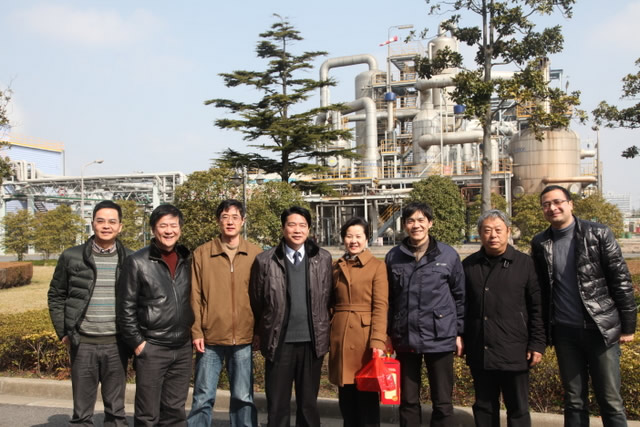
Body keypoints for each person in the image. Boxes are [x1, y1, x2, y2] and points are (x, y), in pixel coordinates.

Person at [531, 185, 637, 426]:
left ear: (570, 204)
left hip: (600, 329)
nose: (552, 208)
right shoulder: (540, 242)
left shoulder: (598, 233)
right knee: (574, 400)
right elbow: (541, 289)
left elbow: (620, 280)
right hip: (565, 333)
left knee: (610, 400)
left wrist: (628, 326)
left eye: (557, 202)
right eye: (546, 204)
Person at [48, 200, 132, 427]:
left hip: (117, 344)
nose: (106, 226)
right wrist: (63, 331)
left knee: (116, 412)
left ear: (120, 226)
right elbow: (56, 295)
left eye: (112, 221)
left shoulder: (131, 259)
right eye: (101, 221)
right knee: (82, 413)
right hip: (83, 343)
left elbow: (138, 302)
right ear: (92, 224)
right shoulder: (71, 256)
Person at [249, 206, 333, 427]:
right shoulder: (265, 261)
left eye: (302, 225)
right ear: (283, 228)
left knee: (308, 404)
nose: (297, 230)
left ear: (309, 229)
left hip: (312, 342)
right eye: (292, 225)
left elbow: (329, 298)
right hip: (278, 341)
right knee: (277, 404)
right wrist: (262, 330)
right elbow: (257, 300)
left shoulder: (323, 258)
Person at [385, 201, 465, 427]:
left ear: (430, 223)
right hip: (405, 336)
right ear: (404, 225)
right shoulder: (394, 257)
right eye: (411, 221)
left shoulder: (447, 255)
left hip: (440, 336)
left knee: (442, 401)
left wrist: (459, 332)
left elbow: (460, 296)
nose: (416, 225)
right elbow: (388, 299)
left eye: (421, 220)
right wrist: (387, 333)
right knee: (408, 400)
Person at [463, 209, 546, 427]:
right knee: (484, 407)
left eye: (498, 230)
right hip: (480, 349)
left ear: (508, 231)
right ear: (480, 233)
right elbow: (461, 306)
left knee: (518, 408)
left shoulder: (525, 264)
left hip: (515, 350)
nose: (493, 235)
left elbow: (537, 307)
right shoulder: (469, 265)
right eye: (487, 230)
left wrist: (537, 343)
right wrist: (460, 335)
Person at [117, 204, 194, 427]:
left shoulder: (187, 259)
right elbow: (125, 308)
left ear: (180, 228)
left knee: (175, 412)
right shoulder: (137, 262)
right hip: (152, 348)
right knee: (147, 414)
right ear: (153, 229)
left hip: (182, 348)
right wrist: (138, 344)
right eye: (163, 226)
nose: (169, 231)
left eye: (174, 225)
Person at [187, 199, 262, 427]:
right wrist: (196, 331)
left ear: (243, 221)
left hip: (244, 337)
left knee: (243, 396)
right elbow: (194, 295)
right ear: (218, 221)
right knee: (203, 396)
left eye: (235, 217)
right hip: (210, 337)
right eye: (225, 217)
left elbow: (262, 297)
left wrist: (259, 331)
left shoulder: (255, 254)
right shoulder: (202, 253)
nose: (230, 222)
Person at [329, 217, 388, 427]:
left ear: (366, 238)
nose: (353, 241)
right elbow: (330, 302)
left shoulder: (377, 266)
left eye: (358, 236)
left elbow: (381, 306)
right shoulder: (336, 266)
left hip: (365, 340)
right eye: (349, 236)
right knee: (346, 399)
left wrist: (378, 341)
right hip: (342, 337)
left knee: (367, 398)